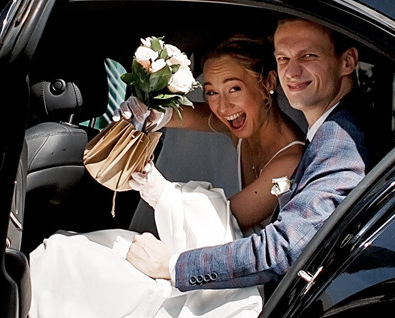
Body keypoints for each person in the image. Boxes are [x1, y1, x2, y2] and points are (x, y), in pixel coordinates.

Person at [125, 17, 366, 291]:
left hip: (253, 289)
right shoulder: (244, 125)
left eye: (308, 55)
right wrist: (158, 113)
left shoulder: (336, 145)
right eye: (283, 58)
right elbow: (206, 116)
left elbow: (278, 248)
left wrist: (170, 264)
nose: (293, 71)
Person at [162, 35, 303, 231]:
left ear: (268, 83)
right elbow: (185, 115)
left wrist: (156, 190)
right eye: (212, 92)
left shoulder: (290, 162)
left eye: (234, 89)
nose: (223, 107)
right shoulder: (241, 126)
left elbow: (221, 223)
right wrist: (151, 111)